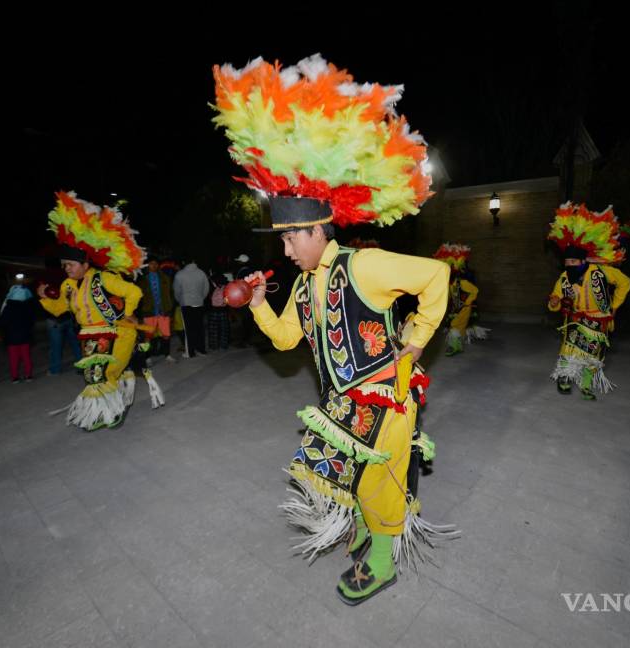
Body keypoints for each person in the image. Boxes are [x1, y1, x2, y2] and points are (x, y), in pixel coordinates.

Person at [214, 54, 456, 606]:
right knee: (347, 476)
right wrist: (255, 302)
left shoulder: (364, 266)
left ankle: (381, 561)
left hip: (385, 400)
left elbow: (437, 276)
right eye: (281, 240)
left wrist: (414, 345)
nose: (285, 249)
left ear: (319, 231)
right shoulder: (302, 288)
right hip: (342, 405)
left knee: (377, 480)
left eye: (291, 238)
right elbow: (283, 340)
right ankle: (369, 534)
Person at [37, 191, 164, 430]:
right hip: (89, 336)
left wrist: (127, 312)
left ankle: (111, 413)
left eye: (71, 265)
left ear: (85, 265)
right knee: (96, 374)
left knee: (101, 374)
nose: (67, 269)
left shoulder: (103, 278)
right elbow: (58, 309)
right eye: (64, 265)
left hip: (118, 332)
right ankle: (104, 410)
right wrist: (44, 298)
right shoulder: (67, 286)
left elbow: (134, 292)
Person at [546, 203, 630, 400]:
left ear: (583, 262)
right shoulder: (564, 278)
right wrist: (554, 302)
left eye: (573, 263)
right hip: (575, 319)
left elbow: (625, 282)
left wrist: (614, 306)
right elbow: (554, 303)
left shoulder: (601, 272)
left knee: (594, 356)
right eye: (567, 263)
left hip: (599, 321)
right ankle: (565, 379)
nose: (570, 266)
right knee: (569, 351)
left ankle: (586, 386)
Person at [0, 275, 36, 382]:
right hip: (25, 336)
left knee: (13, 358)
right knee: (26, 357)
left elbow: (2, 322)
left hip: (11, 337)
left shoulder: (8, 308)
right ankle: (28, 375)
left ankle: (15, 377)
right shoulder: (27, 307)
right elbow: (31, 321)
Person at [137, 257, 175, 360]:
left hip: (164, 311)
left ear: (158, 265)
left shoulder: (165, 278)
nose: (153, 265)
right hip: (149, 311)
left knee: (166, 334)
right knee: (148, 336)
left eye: (155, 263)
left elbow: (171, 293)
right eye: (151, 263)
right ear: (147, 265)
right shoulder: (142, 279)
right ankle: (147, 357)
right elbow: (138, 296)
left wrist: (170, 307)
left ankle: (167, 354)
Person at [172, 258, 210, 357]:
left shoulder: (180, 274)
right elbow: (206, 288)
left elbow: (177, 291)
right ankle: (201, 349)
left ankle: (190, 352)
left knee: (189, 329)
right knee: (199, 327)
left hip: (186, 303)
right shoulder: (201, 273)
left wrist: (180, 300)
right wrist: (201, 298)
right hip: (199, 303)